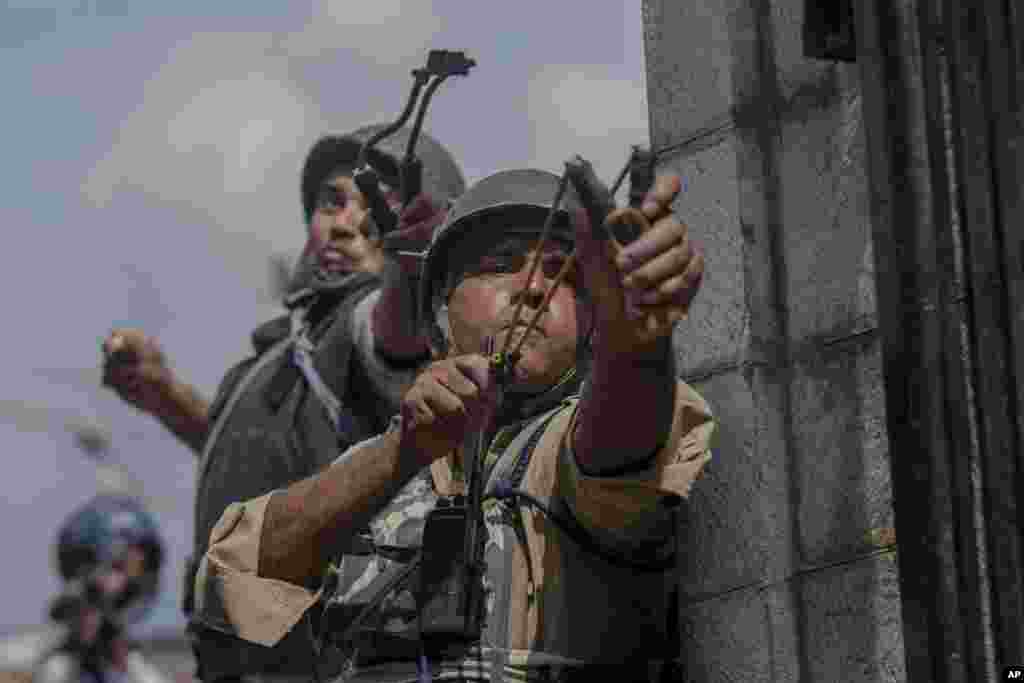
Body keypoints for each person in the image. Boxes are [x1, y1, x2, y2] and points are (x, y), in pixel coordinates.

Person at [190, 166, 715, 681]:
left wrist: (635, 336)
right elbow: (226, 594)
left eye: (567, 275)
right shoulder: (374, 469)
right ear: (438, 317)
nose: (535, 287)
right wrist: (400, 452)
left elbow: (622, 432)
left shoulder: (579, 443)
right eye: (501, 264)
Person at [100, 126, 465, 682]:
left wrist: (413, 265)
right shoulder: (282, 351)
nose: (344, 224)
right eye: (332, 202)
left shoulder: (363, 328)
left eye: (377, 210)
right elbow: (266, 463)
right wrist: (164, 395)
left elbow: (394, 337)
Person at [33, 495, 169, 683]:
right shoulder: (53, 665)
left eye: (141, 567)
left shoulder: (134, 665)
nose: (132, 581)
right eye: (120, 566)